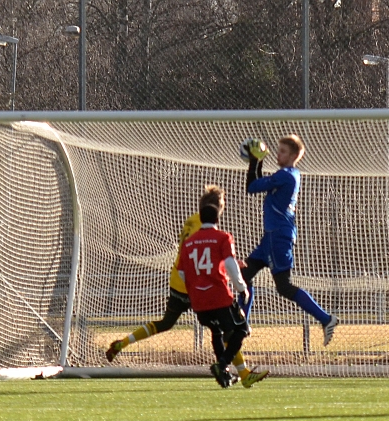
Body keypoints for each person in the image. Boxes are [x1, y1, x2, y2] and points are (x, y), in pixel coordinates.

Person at [106, 186, 268, 388]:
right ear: (218, 208)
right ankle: (239, 372)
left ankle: (125, 341)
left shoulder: (191, 221)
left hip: (178, 280)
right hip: (198, 284)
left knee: (168, 323)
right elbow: (207, 259)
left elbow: (193, 254)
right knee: (227, 329)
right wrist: (230, 268)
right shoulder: (208, 227)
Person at [241, 135, 339, 346]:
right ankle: (244, 324)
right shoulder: (287, 174)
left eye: (283, 151)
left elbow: (251, 187)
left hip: (279, 236)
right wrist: (256, 161)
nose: (278, 154)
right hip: (270, 237)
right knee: (243, 276)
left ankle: (326, 319)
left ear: (295, 156)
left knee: (283, 287)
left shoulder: (286, 175)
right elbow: (257, 185)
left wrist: (253, 161)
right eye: (278, 150)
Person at [177, 191, 252, 388]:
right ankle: (223, 364)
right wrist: (241, 287)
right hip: (219, 296)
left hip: (198, 301)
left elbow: (182, 272)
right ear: (218, 216)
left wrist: (193, 290)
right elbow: (229, 263)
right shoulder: (222, 237)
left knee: (216, 331)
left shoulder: (188, 243)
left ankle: (224, 375)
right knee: (242, 329)